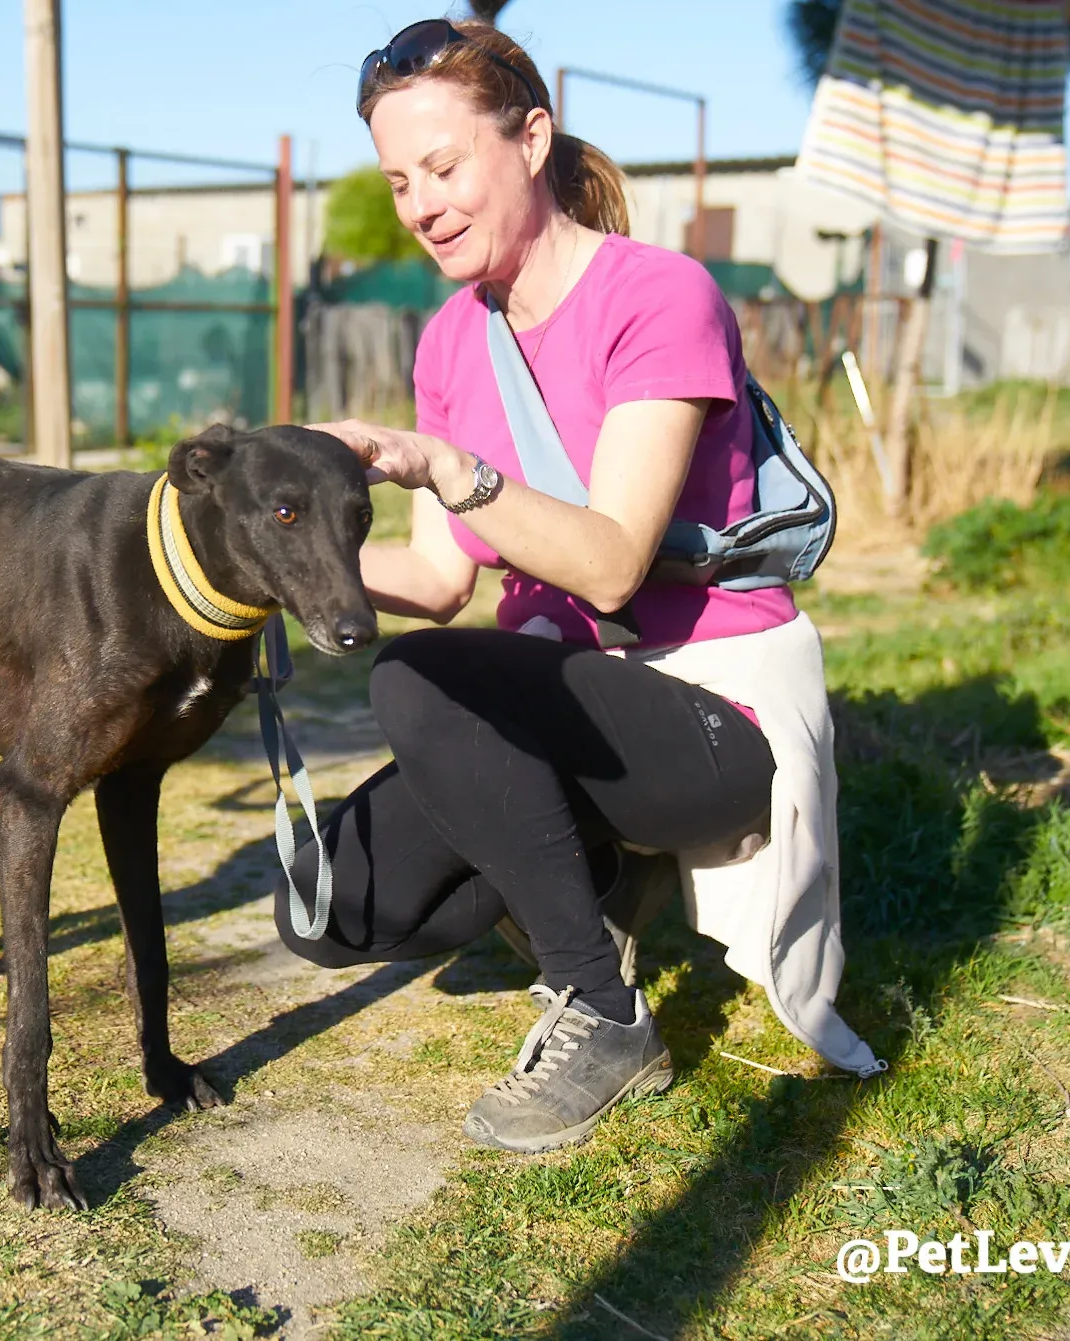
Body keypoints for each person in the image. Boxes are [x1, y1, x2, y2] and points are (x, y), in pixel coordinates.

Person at [284, 19, 862, 1155]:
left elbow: (609, 562)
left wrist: (445, 465)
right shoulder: (450, 342)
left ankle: (601, 1011)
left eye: (443, 167)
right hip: (563, 699)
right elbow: (439, 579)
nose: (420, 206)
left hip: (710, 708)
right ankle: (584, 873)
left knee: (418, 680)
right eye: (399, 182)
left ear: (532, 138)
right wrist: (272, 562)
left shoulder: (660, 295)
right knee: (333, 906)